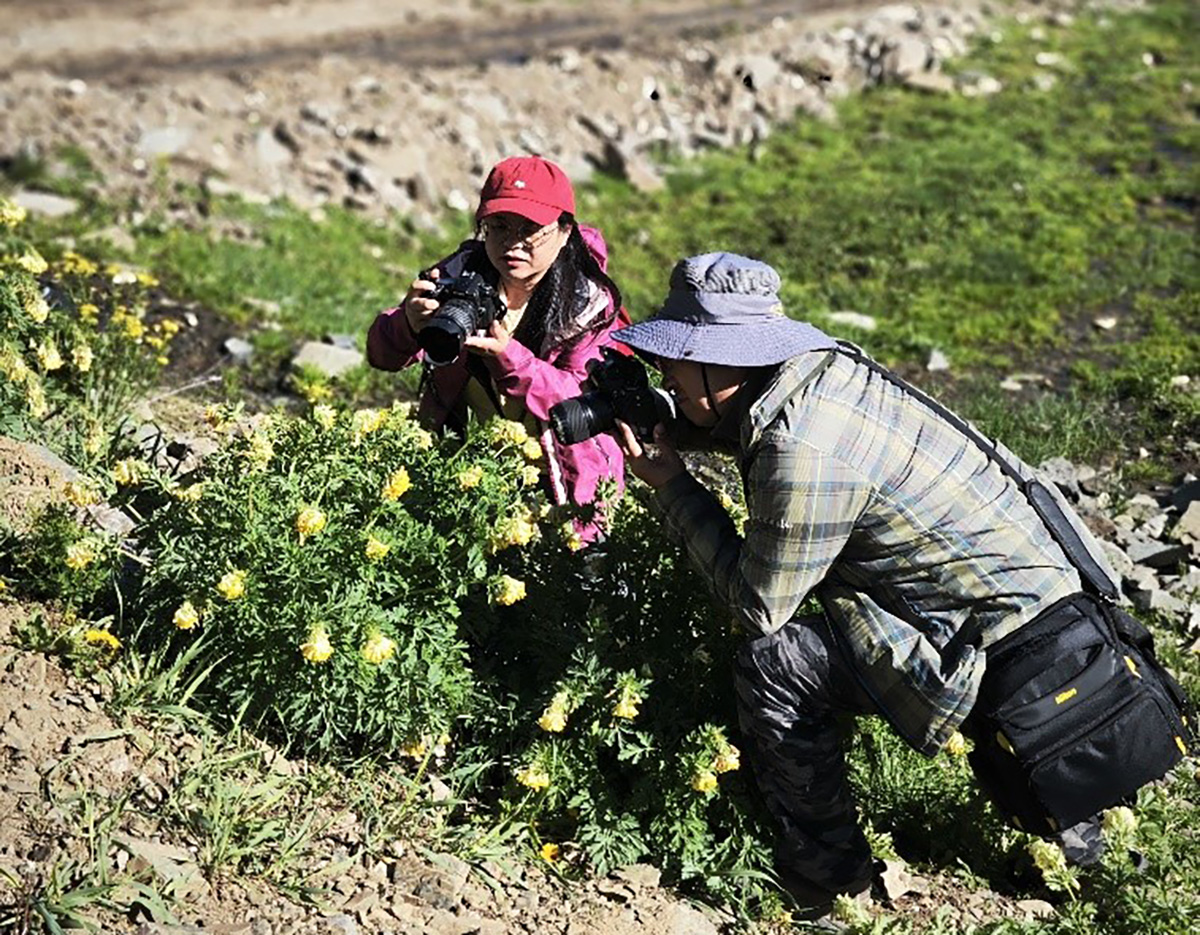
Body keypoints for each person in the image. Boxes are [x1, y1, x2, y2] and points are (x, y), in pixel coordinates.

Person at [607, 252, 1137, 914]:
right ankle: (1089, 850)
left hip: (999, 653)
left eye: (677, 359)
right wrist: (672, 423)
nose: (664, 371)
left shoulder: (800, 446)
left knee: (776, 662)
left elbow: (758, 604)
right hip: (1050, 613)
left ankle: (830, 883)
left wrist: (672, 485)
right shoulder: (824, 373)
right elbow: (749, 426)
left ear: (727, 362)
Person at [367, 156, 627, 538]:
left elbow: (583, 402)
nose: (513, 243)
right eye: (500, 226)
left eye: (531, 229)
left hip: (565, 473)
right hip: (471, 466)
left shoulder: (588, 303)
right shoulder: (460, 277)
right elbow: (381, 356)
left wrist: (512, 361)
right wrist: (407, 325)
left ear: (564, 231)